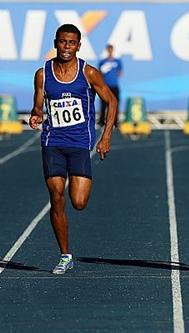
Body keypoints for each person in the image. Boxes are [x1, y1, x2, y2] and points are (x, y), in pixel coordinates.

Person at [29, 24, 118, 274]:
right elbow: (38, 107)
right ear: (55, 43)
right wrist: (36, 116)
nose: (66, 47)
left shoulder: (89, 73)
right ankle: (65, 254)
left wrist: (106, 136)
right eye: (62, 42)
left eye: (71, 43)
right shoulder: (43, 74)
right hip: (52, 142)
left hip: (80, 143)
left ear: (78, 46)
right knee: (56, 195)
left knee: (78, 202)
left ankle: (66, 250)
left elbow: (111, 102)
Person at [98, 44, 122, 127]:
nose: (110, 51)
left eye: (111, 49)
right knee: (104, 104)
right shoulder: (103, 62)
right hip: (105, 86)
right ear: (107, 50)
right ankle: (101, 121)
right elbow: (99, 73)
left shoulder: (117, 61)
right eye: (109, 49)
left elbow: (120, 72)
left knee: (115, 104)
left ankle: (115, 122)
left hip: (114, 86)